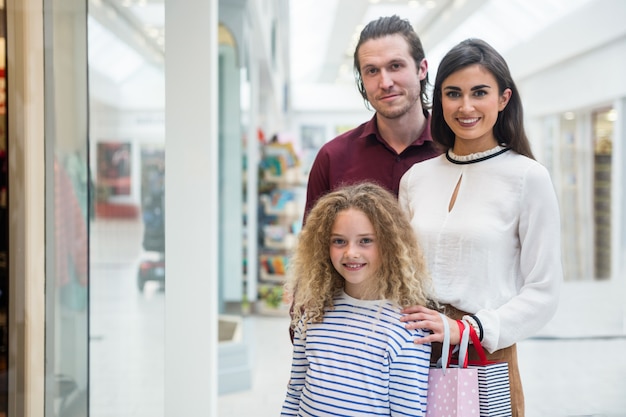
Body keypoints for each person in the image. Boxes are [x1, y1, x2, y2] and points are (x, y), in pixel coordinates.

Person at [398, 38, 563, 416]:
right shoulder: (415, 178)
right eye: (453, 93)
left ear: (503, 98)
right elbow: (398, 270)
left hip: (484, 351)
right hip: (411, 348)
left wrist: (469, 329)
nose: (466, 106)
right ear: (438, 99)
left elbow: (544, 290)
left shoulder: (528, 178)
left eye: (479, 93)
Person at [281, 182, 435, 417]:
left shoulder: (407, 327)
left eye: (365, 241)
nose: (351, 252)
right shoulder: (313, 314)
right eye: (339, 241)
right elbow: (294, 394)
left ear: (389, 245)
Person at [303, 15, 441, 219]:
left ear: (421, 69)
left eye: (396, 66)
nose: (385, 82)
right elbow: (312, 248)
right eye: (372, 71)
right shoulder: (333, 158)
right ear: (362, 81)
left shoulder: (455, 151)